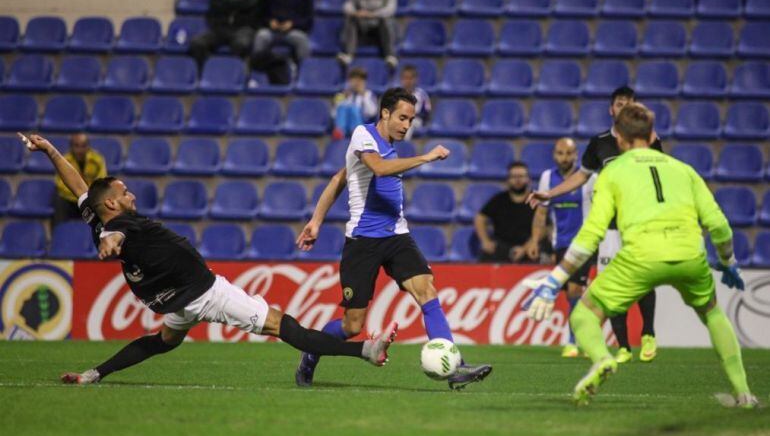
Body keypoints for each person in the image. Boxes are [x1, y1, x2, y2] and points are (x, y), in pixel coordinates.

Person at [18, 132, 397, 385]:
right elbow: (118, 235)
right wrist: (111, 242)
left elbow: (80, 187)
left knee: (163, 341)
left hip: (178, 299)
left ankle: (93, 375)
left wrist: (51, 151)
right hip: (207, 294)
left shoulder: (97, 215)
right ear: (113, 204)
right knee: (287, 328)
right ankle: (365, 350)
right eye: (125, 191)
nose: (131, 195)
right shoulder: (121, 225)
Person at [523, 104, 757, 408]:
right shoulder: (683, 169)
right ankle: (744, 394)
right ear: (651, 135)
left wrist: (555, 281)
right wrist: (729, 263)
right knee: (713, 313)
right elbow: (719, 226)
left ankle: (602, 361)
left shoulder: (612, 172)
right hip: (689, 254)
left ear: (618, 138)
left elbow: (591, 233)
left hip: (641, 256)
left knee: (584, 314)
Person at [295, 87, 492, 390]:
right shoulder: (363, 135)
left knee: (427, 290)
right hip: (363, 241)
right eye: (402, 118)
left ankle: (455, 367)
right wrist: (425, 157)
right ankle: (311, 353)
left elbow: (339, 178)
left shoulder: (390, 145)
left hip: (397, 235)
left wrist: (317, 220)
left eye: (411, 120)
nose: (406, 125)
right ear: (385, 113)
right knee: (352, 325)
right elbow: (379, 170)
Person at [527, 86, 660, 364]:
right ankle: (623, 347)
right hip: (611, 226)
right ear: (611, 109)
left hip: (639, 221)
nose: (624, 108)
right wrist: (550, 194)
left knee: (644, 279)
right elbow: (581, 177)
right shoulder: (600, 143)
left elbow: (660, 174)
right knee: (614, 286)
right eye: (620, 103)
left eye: (630, 103)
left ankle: (648, 332)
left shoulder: (649, 140)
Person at [525, 138, 595, 358]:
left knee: (575, 290)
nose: (564, 157)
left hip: (584, 243)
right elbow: (542, 212)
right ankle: (581, 339)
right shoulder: (548, 178)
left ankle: (574, 341)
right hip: (561, 244)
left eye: (568, 153)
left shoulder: (589, 178)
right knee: (572, 293)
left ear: (576, 155)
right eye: (560, 153)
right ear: (554, 154)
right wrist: (535, 240)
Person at [251, 0, 314, 70]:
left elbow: (308, 19)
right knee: (261, 36)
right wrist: (269, 22)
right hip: (272, 31)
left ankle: (305, 73)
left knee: (301, 40)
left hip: (292, 31)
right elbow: (260, 15)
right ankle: (257, 73)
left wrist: (293, 24)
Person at [337, 0, 398, 69]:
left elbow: (390, 10)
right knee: (351, 19)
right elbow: (347, 6)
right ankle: (349, 55)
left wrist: (371, 14)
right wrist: (356, 13)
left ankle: (390, 56)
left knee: (386, 20)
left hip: (381, 28)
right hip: (364, 29)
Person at [475, 162, 537, 263]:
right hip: (501, 248)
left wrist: (525, 248)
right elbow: (480, 218)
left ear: (528, 179)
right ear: (508, 179)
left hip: (528, 247)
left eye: (521, 176)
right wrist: (485, 241)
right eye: (514, 176)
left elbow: (544, 228)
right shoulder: (499, 200)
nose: (517, 180)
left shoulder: (535, 200)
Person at [53, 133, 106, 227]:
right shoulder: (64, 160)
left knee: (103, 197)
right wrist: (79, 194)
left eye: (83, 146)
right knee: (59, 199)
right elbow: (60, 184)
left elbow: (101, 181)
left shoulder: (97, 160)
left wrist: (85, 195)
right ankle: (60, 233)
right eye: (76, 146)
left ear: (88, 146)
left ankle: (101, 234)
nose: (80, 150)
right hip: (70, 199)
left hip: (90, 199)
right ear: (71, 147)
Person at [332, 67, 378, 140]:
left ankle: (356, 132)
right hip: (345, 125)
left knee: (354, 109)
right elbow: (334, 114)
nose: (357, 83)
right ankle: (339, 132)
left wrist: (363, 95)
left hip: (362, 125)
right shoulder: (342, 94)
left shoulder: (368, 94)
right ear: (349, 81)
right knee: (342, 107)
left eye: (360, 80)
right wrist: (344, 99)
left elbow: (372, 113)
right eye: (354, 80)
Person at [399, 65, 431, 140]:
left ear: (415, 79)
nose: (408, 81)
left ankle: (404, 146)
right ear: (401, 79)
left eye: (411, 78)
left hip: (416, 121)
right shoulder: (397, 94)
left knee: (408, 124)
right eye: (406, 78)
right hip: (399, 119)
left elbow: (427, 113)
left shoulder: (422, 94)